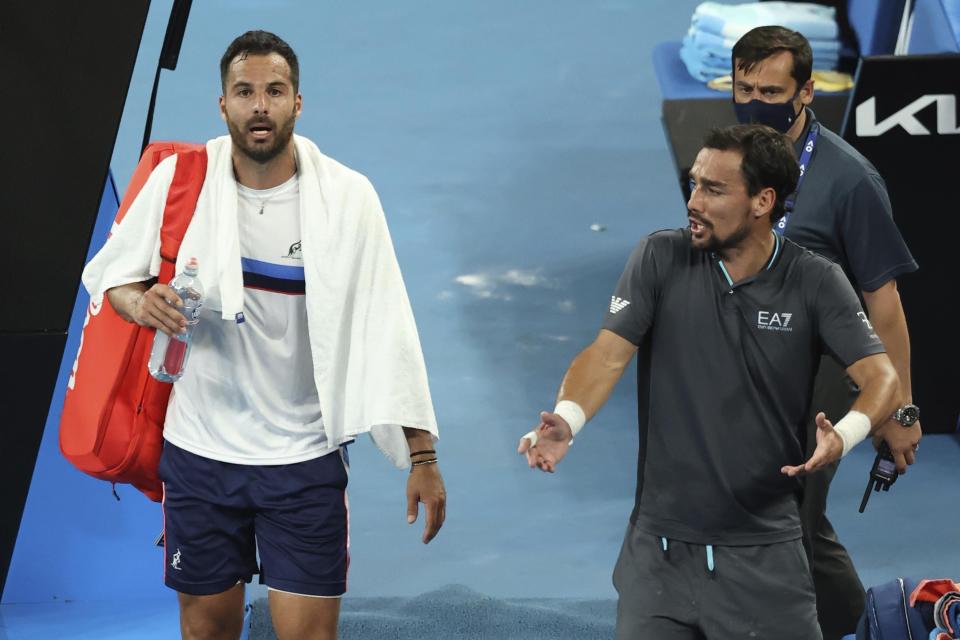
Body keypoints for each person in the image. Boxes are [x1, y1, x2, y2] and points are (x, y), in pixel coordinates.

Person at [82, 31, 446, 640]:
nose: (259, 105)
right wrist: (141, 302)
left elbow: (390, 326)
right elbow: (111, 275)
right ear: (221, 105)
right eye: (244, 92)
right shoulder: (179, 183)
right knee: (207, 634)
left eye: (274, 91)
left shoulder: (349, 199)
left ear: (297, 104)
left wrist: (423, 455)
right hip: (200, 456)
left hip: (303, 460)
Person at [518, 124, 918, 639]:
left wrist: (847, 434)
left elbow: (880, 377)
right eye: (693, 184)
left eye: (713, 189)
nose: (693, 201)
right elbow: (606, 355)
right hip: (658, 558)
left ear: (762, 201)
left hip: (765, 559)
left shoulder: (815, 280)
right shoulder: (659, 257)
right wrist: (568, 420)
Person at [730, 26, 921, 639]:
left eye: (771, 89)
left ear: (807, 91)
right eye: (744, 87)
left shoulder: (850, 181)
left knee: (790, 515)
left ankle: (853, 626)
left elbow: (884, 306)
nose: (755, 100)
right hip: (752, 361)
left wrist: (899, 407)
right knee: (779, 514)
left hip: (826, 371)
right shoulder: (732, 161)